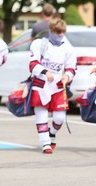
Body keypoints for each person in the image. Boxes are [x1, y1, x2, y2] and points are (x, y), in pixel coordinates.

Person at [29, 18, 76, 154]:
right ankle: (45, 143)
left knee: (59, 117)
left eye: (61, 33)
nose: (59, 35)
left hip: (58, 86)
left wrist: (67, 76)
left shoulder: (68, 48)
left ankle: (52, 132)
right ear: (50, 31)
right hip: (41, 84)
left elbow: (71, 68)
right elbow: (32, 63)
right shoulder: (39, 44)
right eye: (56, 32)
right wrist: (44, 71)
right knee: (42, 116)